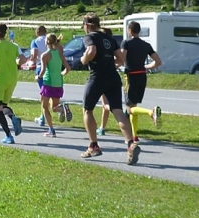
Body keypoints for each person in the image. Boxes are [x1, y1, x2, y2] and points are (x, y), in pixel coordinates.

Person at [79, 13, 140, 164]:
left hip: (97, 77)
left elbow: (91, 51)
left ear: (87, 25)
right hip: (113, 77)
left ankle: (93, 146)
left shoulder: (89, 37)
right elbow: (121, 59)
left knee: (87, 110)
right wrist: (110, 64)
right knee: (118, 111)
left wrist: (83, 60)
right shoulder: (109, 39)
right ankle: (130, 143)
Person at [120, 21, 163, 141]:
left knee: (129, 108)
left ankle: (151, 112)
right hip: (142, 76)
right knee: (133, 106)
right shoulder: (146, 45)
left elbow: (122, 58)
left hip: (130, 76)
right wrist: (146, 67)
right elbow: (158, 62)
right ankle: (134, 135)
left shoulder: (126, 43)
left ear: (129, 30)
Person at [36, 34, 72, 137]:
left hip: (48, 82)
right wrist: (61, 74)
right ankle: (62, 108)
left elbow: (43, 70)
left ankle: (51, 130)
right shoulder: (59, 54)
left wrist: (38, 77)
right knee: (54, 107)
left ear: (47, 42)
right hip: (58, 83)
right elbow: (68, 68)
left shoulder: (45, 55)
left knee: (44, 107)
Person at [29, 25, 48, 127]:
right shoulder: (50, 40)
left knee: (43, 93)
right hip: (51, 68)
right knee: (50, 91)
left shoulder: (35, 41)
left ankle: (43, 117)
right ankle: (58, 108)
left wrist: (30, 59)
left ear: (37, 32)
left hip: (40, 67)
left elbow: (34, 54)